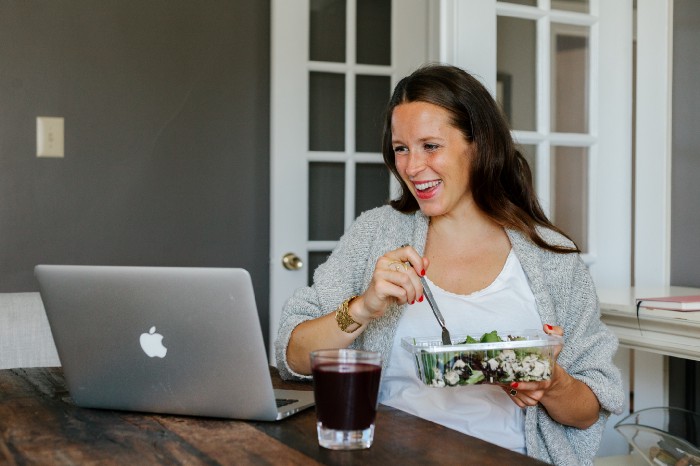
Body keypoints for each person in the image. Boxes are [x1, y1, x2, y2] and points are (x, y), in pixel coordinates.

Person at [274, 64, 624, 465]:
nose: (412, 167)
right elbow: (293, 356)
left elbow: (589, 411)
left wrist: (552, 381)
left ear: (477, 144)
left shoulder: (552, 256)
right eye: (401, 148)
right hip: (388, 456)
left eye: (430, 146)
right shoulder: (375, 234)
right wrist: (363, 307)